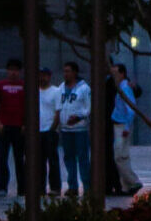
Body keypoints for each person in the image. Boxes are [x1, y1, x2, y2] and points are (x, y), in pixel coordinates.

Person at [0, 57, 27, 196]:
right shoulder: (0, 85)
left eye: (16, 70)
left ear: (20, 72)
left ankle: (22, 188)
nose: (13, 73)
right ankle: (2, 187)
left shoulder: (24, 86)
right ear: (7, 71)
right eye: (11, 70)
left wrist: (25, 123)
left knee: (20, 159)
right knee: (2, 158)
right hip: (3, 126)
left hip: (19, 127)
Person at [56, 62, 93, 198]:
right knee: (69, 158)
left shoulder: (84, 88)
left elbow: (89, 108)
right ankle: (72, 186)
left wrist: (79, 117)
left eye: (68, 71)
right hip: (66, 130)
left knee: (83, 158)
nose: (66, 74)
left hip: (79, 129)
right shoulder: (61, 88)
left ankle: (87, 187)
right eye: (64, 71)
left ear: (75, 72)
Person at [109, 61, 145, 195]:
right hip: (120, 124)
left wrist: (127, 127)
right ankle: (126, 186)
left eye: (116, 73)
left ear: (122, 74)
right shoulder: (121, 87)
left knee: (119, 156)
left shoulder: (124, 88)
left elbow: (130, 109)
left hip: (122, 124)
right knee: (123, 155)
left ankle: (133, 181)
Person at [36, 67, 63, 196]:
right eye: (40, 75)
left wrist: (53, 129)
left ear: (50, 76)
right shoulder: (34, 91)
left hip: (50, 130)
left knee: (52, 161)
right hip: (37, 131)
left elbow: (58, 112)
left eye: (45, 75)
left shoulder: (56, 91)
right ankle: (40, 187)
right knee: (39, 161)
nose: (42, 78)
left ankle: (55, 187)